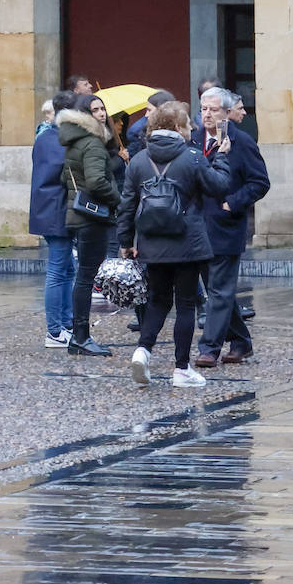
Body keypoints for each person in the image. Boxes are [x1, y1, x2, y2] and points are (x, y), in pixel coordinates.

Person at [120, 102, 232, 389]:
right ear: (177, 128)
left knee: (157, 301)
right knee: (185, 305)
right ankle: (181, 369)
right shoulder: (192, 157)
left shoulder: (139, 160)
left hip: (151, 243)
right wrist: (221, 157)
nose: (192, 129)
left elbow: (127, 205)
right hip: (187, 242)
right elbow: (219, 186)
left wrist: (125, 242)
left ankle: (142, 351)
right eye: (187, 125)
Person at [192, 87, 270, 368]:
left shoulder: (242, 142)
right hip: (197, 228)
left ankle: (209, 348)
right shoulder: (193, 140)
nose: (208, 114)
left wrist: (233, 203)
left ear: (227, 113)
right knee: (216, 289)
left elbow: (260, 182)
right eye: (203, 109)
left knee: (220, 290)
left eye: (213, 109)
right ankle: (241, 341)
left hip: (226, 227)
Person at [59, 93, 121, 357]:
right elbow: (96, 182)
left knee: (83, 276)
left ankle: (79, 336)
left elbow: (66, 177)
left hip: (79, 216)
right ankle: (82, 337)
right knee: (86, 277)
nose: (102, 114)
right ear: (85, 115)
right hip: (92, 218)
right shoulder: (92, 144)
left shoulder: (75, 141)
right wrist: (118, 199)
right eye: (95, 110)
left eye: (103, 108)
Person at [32, 91, 78, 347]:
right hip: (55, 211)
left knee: (66, 269)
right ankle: (54, 330)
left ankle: (65, 324)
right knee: (58, 270)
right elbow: (62, 172)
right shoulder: (51, 137)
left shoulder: (51, 136)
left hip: (56, 210)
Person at [127, 90, 176, 157]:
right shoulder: (138, 131)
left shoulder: (182, 129)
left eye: (149, 110)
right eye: (147, 110)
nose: (146, 115)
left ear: (162, 111)